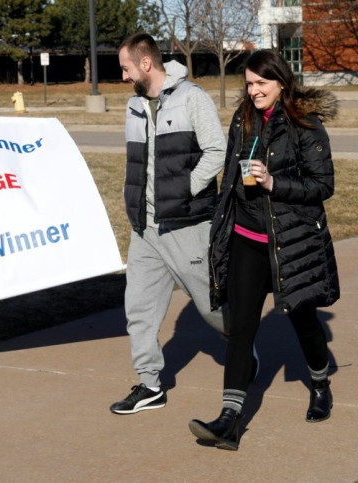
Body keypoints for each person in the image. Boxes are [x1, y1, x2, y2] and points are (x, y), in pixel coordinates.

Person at [189, 49, 340, 450]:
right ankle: (229, 420)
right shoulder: (244, 117)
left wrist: (275, 183)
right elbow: (230, 173)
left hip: (290, 241)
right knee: (240, 328)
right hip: (246, 238)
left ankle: (320, 383)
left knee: (303, 319)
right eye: (249, 84)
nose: (254, 91)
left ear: (281, 82)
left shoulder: (305, 124)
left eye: (261, 84)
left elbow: (323, 185)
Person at [110, 33, 229, 415]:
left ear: (146, 64)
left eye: (126, 68)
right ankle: (150, 385)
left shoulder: (192, 97)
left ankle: (244, 349)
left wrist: (184, 190)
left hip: (187, 224)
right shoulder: (132, 106)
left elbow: (217, 151)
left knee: (213, 307)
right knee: (139, 309)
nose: (124, 76)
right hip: (145, 229)